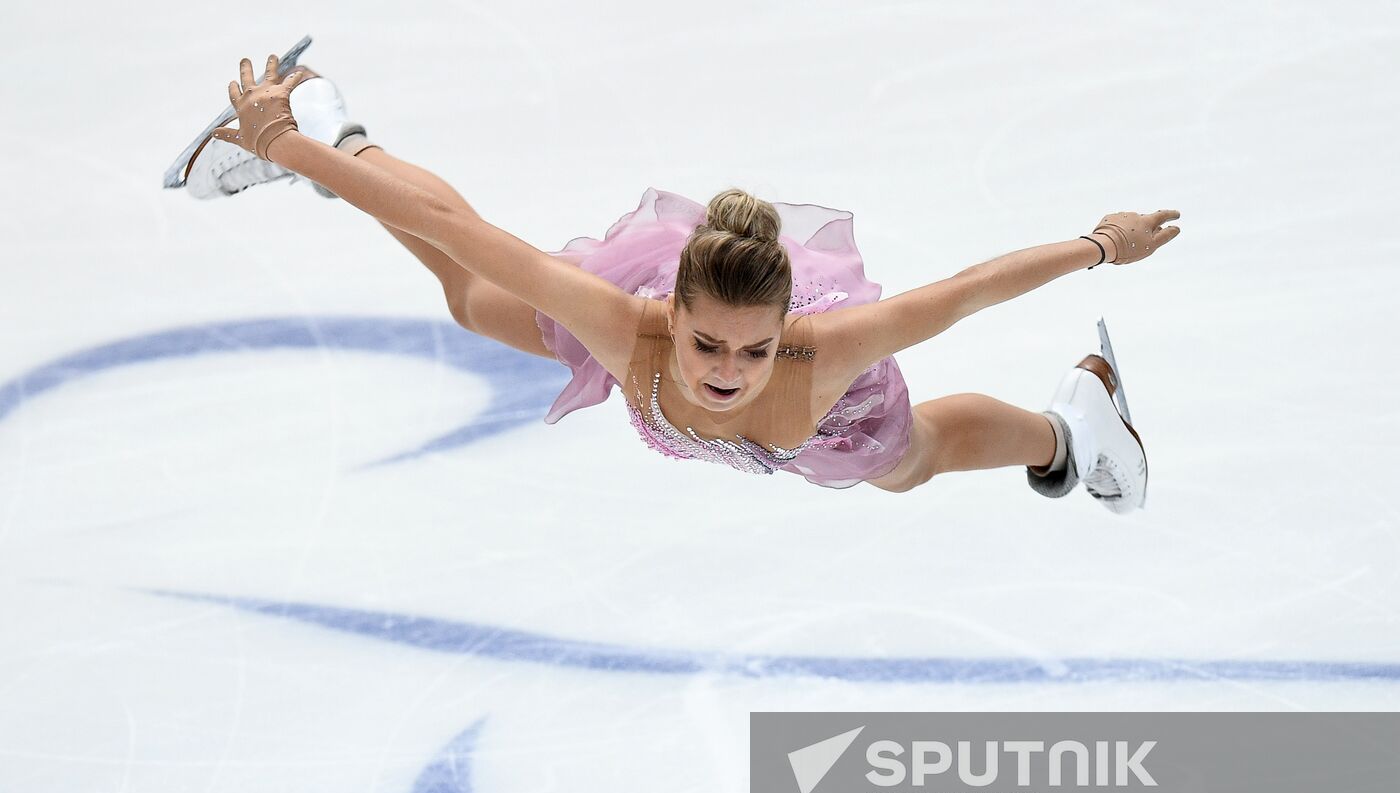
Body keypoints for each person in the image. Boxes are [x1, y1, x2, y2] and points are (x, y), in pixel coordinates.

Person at [175, 53, 1181, 512]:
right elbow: (454, 229)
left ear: (785, 327)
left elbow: (970, 289)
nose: (726, 373)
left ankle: (1071, 428)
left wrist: (1099, 242)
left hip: (831, 429)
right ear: (670, 313)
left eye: (751, 348)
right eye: (706, 343)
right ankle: (343, 131)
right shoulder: (626, 328)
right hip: (645, 318)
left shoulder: (826, 360)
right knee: (471, 287)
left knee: (904, 464)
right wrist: (294, 146)